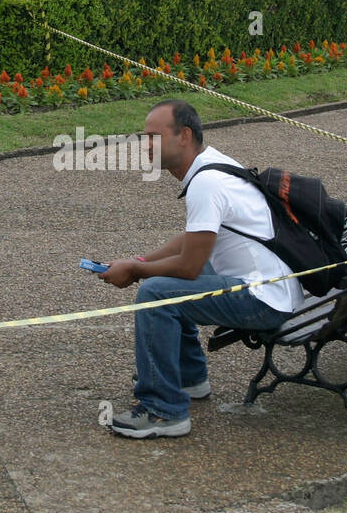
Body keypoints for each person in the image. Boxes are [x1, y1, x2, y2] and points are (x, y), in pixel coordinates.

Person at [99, 100, 304, 439]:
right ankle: (189, 378)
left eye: (153, 136)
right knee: (162, 278)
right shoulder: (212, 164)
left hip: (264, 299)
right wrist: (142, 262)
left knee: (156, 294)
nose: (144, 144)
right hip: (274, 286)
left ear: (184, 136)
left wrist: (136, 273)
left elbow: (190, 266)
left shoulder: (206, 184)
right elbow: (191, 240)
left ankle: (164, 411)